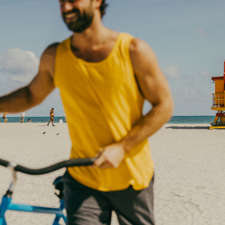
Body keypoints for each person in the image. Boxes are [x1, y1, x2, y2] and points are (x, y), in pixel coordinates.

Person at [0, 1, 173, 224]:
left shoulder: (133, 51)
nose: (65, 6)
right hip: (82, 177)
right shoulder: (55, 56)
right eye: (62, 2)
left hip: (131, 178)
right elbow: (30, 96)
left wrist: (122, 147)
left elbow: (164, 105)